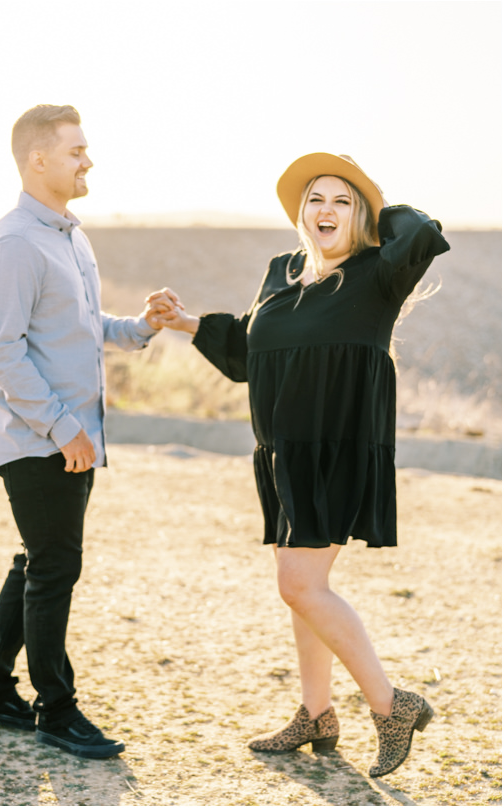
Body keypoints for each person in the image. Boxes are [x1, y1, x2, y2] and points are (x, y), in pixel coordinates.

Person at [148, 153, 449, 777]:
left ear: (361, 215)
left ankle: (391, 706)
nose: (326, 210)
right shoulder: (281, 273)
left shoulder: (378, 272)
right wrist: (187, 323)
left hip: (337, 448)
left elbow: (421, 228)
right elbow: (250, 348)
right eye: (315, 199)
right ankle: (316, 713)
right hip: (285, 450)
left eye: (342, 200)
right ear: (300, 213)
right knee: (302, 589)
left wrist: (373, 207)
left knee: (299, 584)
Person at [0, 104, 169, 760]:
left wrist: (138, 326)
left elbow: (78, 324)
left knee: (36, 557)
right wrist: (61, 429)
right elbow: (0, 352)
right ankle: (56, 710)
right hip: (37, 439)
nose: (88, 160)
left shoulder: (69, 237)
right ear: (38, 160)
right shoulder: (14, 243)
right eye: (77, 150)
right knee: (55, 565)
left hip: (66, 437)